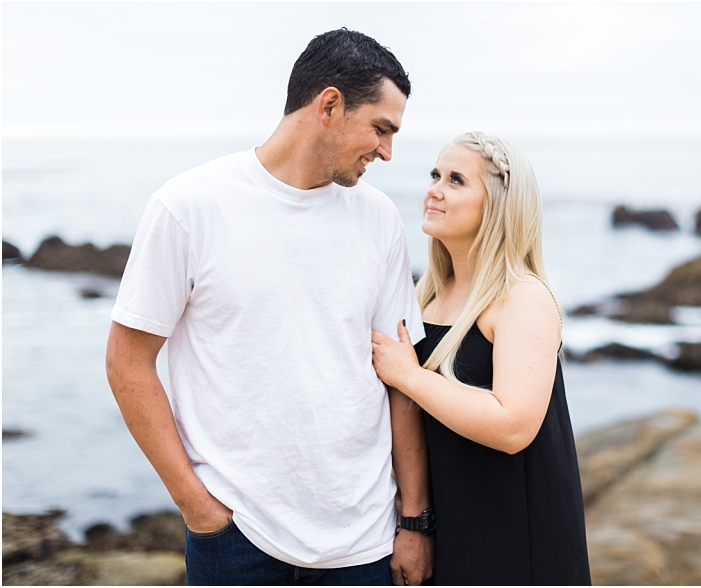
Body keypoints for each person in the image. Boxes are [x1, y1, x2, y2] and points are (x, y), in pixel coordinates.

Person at [106, 29, 435, 586]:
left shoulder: (378, 218)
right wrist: (198, 507)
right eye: (381, 128)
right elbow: (127, 362)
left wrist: (414, 522)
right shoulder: (189, 206)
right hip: (238, 541)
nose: (387, 151)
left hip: (364, 543)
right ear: (328, 104)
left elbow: (399, 378)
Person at [371, 132, 591, 585]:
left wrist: (409, 378)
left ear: (498, 205)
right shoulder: (426, 296)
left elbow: (513, 426)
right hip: (446, 524)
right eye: (435, 174)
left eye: (456, 180)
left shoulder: (522, 297)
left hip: (513, 534)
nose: (434, 189)